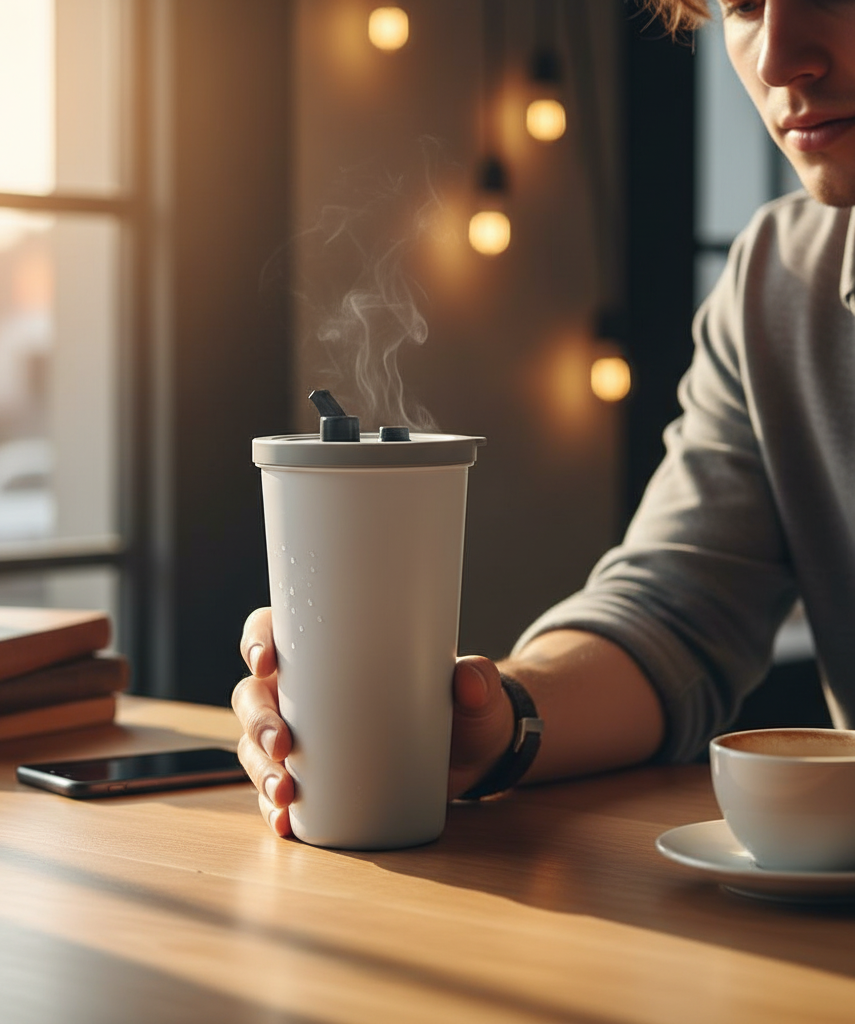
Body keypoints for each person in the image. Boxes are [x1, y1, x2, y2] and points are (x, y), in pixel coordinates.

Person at [232, 0, 855, 837]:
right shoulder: (778, 283)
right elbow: (675, 611)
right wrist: (491, 721)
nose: (778, 59)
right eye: (740, 3)